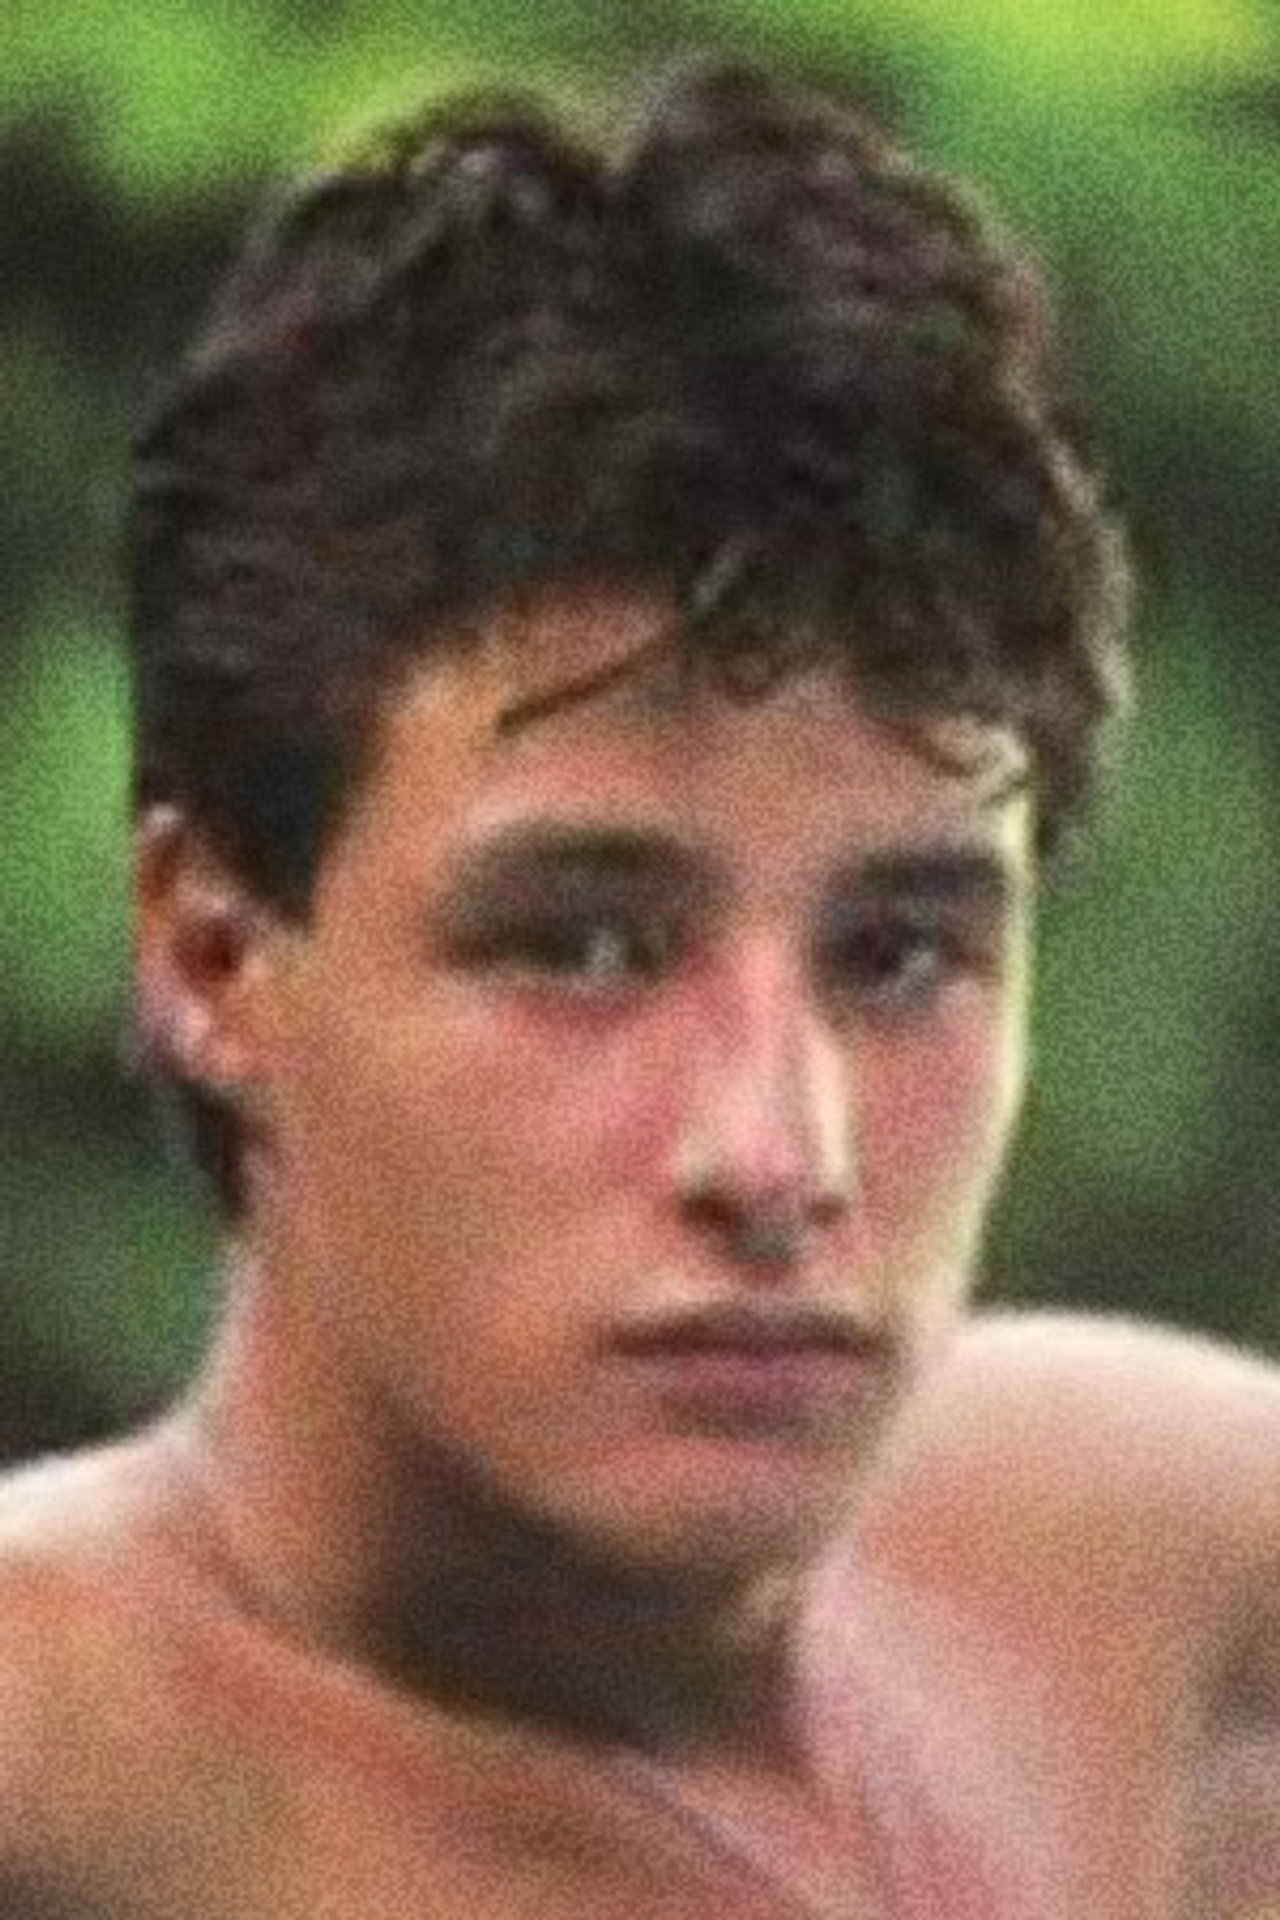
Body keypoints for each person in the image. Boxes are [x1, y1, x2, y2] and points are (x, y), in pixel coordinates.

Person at [0, 55, 1274, 1920]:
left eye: (900, 953)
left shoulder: (1159, 1578)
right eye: (584, 947)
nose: (780, 1153)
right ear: (215, 956)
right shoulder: (56, 1774)